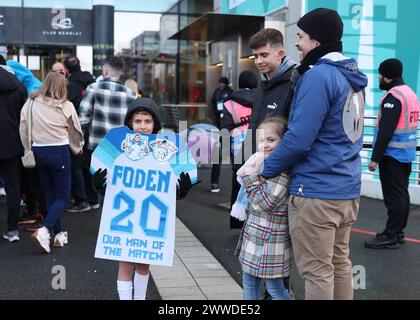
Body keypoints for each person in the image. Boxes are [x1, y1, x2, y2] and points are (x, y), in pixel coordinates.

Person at [260, 8, 368, 300]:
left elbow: (298, 139)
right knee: (339, 264)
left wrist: (266, 168)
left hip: (316, 192)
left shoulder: (318, 76)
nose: (298, 43)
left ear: (317, 41)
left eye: (302, 37)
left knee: (317, 272)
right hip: (346, 190)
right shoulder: (354, 78)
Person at [91, 97, 193, 300]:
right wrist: (99, 185)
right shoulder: (118, 147)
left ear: (155, 123)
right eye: (138, 121)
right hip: (124, 221)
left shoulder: (166, 150)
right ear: (130, 123)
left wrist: (182, 190)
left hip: (150, 220)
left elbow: (172, 187)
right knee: (125, 264)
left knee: (144, 265)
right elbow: (109, 182)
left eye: (147, 121)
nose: (143, 126)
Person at [19, 71, 84, 253]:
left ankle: (59, 233)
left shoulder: (30, 102)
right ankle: (45, 230)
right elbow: (74, 131)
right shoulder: (66, 105)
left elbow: (23, 127)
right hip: (60, 152)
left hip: (38, 152)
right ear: (62, 86)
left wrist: (27, 148)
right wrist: (77, 148)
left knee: (49, 196)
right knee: (62, 196)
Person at [365, 59, 420, 249]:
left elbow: (386, 131)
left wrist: (374, 159)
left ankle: (391, 235)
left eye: (380, 74)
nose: (379, 78)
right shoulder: (409, 93)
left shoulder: (393, 97)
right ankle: (397, 232)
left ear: (386, 76)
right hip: (406, 153)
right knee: (401, 194)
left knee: (394, 198)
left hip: (393, 155)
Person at [235, 116, 292, 300]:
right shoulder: (262, 165)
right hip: (254, 239)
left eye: (271, 139)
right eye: (261, 140)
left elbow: (264, 203)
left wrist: (249, 176)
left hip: (270, 244)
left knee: (275, 289)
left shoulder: (282, 172)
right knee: (249, 286)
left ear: (284, 141)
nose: (265, 145)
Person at [248, 28, 296, 152]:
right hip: (254, 165)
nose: (258, 61)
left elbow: (295, 136)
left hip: (277, 167)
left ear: (280, 54)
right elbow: (253, 128)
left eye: (264, 55)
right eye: (255, 56)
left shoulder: (295, 84)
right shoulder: (263, 85)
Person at [220, 70, 258, 229]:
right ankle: (255, 221)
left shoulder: (230, 103)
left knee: (239, 181)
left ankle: (239, 220)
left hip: (239, 149)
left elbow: (225, 130)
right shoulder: (262, 97)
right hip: (259, 145)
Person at [63, 55, 99, 213]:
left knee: (77, 165)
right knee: (87, 166)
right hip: (95, 130)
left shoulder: (70, 85)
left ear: (66, 70)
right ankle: (93, 199)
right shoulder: (93, 82)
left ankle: (81, 201)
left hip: (76, 130)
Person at [79, 56, 136, 151]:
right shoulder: (131, 94)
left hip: (97, 148)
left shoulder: (93, 89)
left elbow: (83, 119)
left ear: (105, 71)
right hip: (121, 147)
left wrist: (81, 143)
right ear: (120, 73)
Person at [0, 64, 28, 242]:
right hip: (12, 144)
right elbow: (24, 118)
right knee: (13, 188)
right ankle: (12, 230)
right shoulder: (18, 86)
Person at [210, 77, 233, 192]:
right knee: (218, 154)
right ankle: (214, 183)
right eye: (220, 83)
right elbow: (212, 104)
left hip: (228, 127)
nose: (221, 85)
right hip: (218, 124)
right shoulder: (216, 92)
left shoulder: (230, 92)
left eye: (223, 83)